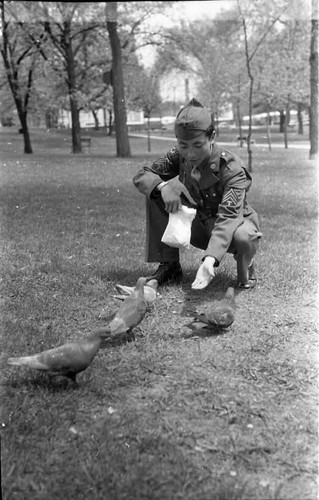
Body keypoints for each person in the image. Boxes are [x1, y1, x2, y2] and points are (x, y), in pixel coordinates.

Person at [133, 98, 262, 290]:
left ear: (212, 137)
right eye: (183, 145)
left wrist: (210, 260)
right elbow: (143, 175)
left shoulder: (232, 169)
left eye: (197, 145)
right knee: (155, 191)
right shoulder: (178, 156)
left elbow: (228, 217)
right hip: (199, 224)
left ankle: (246, 267)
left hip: (232, 225)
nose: (190, 154)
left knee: (245, 237)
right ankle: (170, 267)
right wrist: (163, 187)